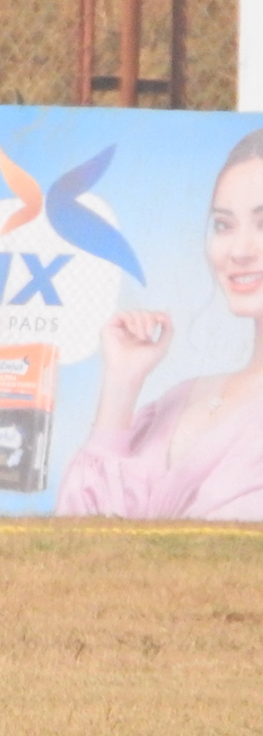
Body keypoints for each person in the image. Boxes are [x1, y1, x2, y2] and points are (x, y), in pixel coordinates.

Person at [59, 130, 263, 520]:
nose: (239, 251)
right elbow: (72, 538)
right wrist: (121, 385)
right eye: (223, 225)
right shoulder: (178, 401)